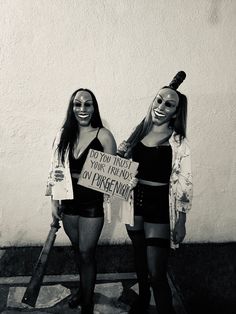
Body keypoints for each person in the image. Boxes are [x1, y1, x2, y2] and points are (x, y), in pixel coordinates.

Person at [118, 72, 193, 314]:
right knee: (139, 259)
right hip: (135, 201)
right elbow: (127, 166)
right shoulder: (140, 131)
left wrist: (181, 220)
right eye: (159, 100)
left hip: (160, 205)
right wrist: (123, 153)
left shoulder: (178, 142)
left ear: (176, 111)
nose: (161, 106)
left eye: (169, 104)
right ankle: (143, 297)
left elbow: (185, 182)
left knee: (157, 271)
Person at [45, 88, 117, 314]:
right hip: (68, 201)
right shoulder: (63, 134)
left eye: (88, 104)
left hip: (91, 203)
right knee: (77, 251)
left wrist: (119, 171)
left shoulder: (103, 135)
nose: (82, 109)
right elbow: (55, 168)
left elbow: (112, 176)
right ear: (72, 107)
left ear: (94, 108)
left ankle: (87, 301)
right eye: (78, 104)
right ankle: (83, 290)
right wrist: (54, 201)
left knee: (87, 252)